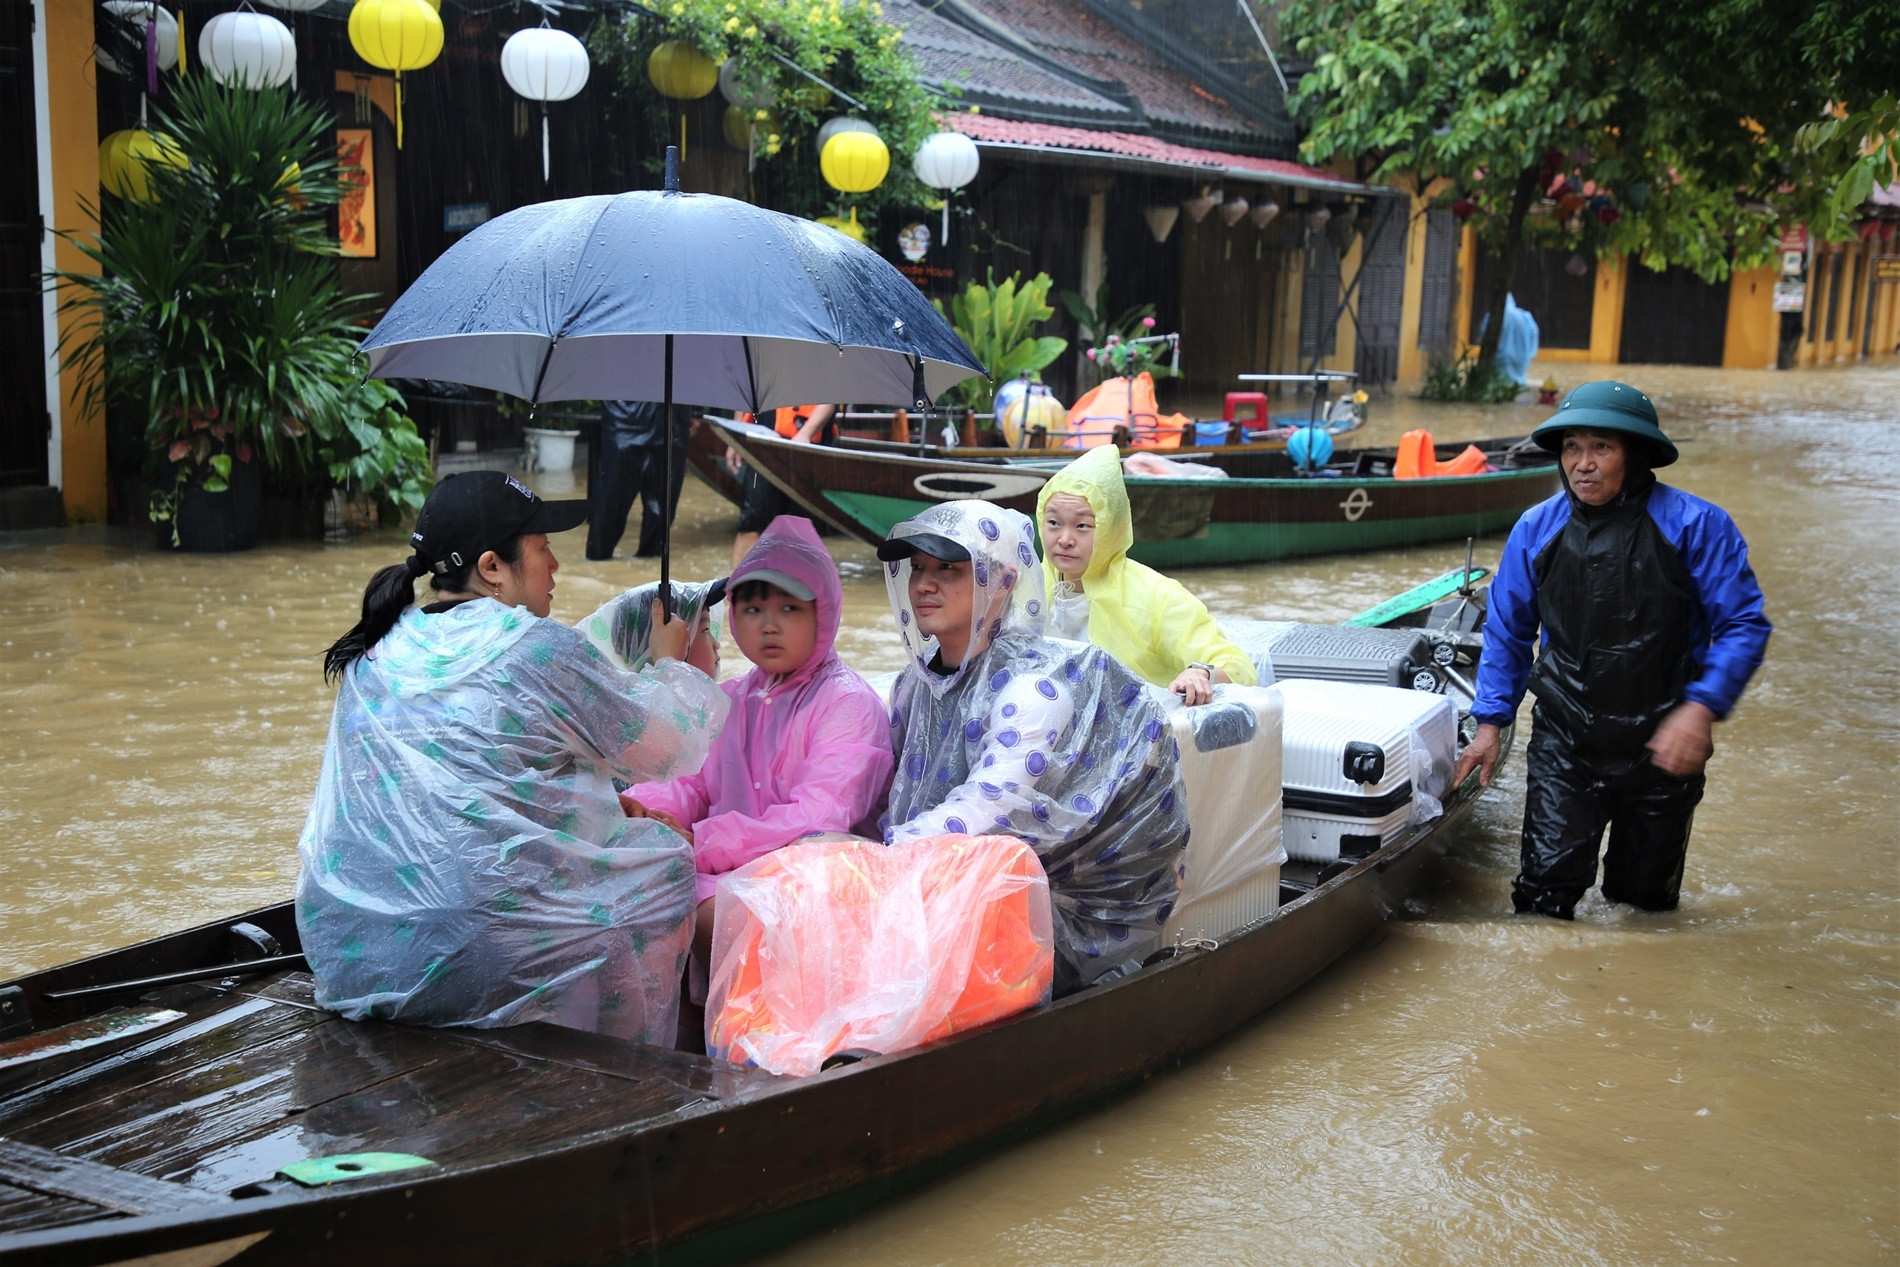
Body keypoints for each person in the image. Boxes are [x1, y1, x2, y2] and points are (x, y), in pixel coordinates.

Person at [297, 471, 730, 1043]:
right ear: (492, 568)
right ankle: (625, 1057)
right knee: (666, 861)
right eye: (543, 548)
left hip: (352, 952)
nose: (555, 565)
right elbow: (670, 745)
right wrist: (669, 662)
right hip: (471, 954)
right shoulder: (535, 646)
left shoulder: (376, 646)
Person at [1454, 381, 1771, 919]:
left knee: (1644, 908)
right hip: (1566, 741)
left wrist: (1700, 711)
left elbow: (1743, 625)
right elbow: (1508, 632)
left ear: (1637, 454)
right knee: (1541, 901)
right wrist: (1490, 723)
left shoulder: (1697, 526)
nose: (1583, 464)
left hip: (1664, 744)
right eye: (1572, 447)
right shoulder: (1536, 528)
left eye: (1602, 447)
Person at [877, 500, 1191, 994]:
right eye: (917, 568)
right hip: (937, 879)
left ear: (1003, 583)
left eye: (948, 570)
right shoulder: (911, 688)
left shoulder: (1032, 690)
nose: (923, 585)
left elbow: (986, 808)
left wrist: (874, 860)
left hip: (1059, 915)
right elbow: (881, 790)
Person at [626, 515, 893, 959]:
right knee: (632, 881)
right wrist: (641, 812)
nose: (769, 625)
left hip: (804, 887)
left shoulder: (848, 704)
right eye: (753, 610)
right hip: (720, 871)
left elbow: (818, 817)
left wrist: (703, 842)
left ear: (823, 613)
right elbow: (689, 783)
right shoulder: (727, 699)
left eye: (789, 609)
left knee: (679, 908)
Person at [1036, 444, 1256, 705]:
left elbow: (1237, 666)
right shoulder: (1030, 586)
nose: (1064, 539)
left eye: (1082, 526)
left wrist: (1200, 673)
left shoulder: (1156, 595)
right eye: (1053, 523)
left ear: (1112, 530)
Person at [730, 403, 837, 567]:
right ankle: (738, 581)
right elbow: (744, 390)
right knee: (752, 522)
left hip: (808, 446)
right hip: (764, 440)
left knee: (802, 528)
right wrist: (736, 434)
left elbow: (830, 398)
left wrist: (805, 433)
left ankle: (799, 580)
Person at [586, 399, 695, 561]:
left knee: (661, 511)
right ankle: (597, 560)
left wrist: (695, 412)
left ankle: (648, 567)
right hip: (626, 416)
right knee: (610, 504)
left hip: (670, 419)